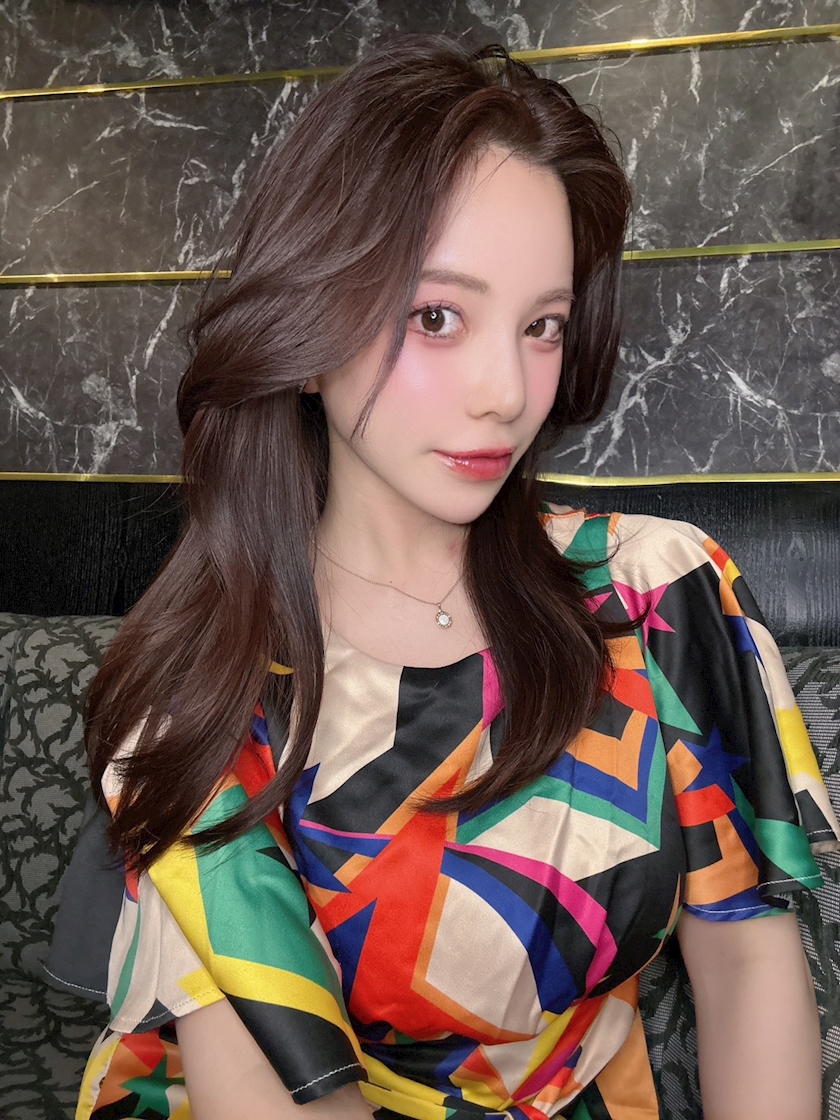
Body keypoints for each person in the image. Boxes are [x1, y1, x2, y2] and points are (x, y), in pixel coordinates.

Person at [47, 36, 839, 1120]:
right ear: (308, 322)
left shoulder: (657, 595)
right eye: (435, 317)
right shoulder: (206, 690)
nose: (505, 391)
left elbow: (747, 962)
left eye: (543, 326)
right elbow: (287, 1094)